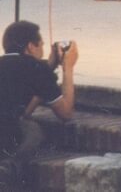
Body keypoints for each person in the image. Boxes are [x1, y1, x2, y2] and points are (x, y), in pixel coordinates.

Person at [0, 21, 77, 188]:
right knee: (34, 130)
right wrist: (68, 68)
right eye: (41, 44)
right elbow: (66, 113)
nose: (42, 49)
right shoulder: (37, 69)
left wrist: (49, 67)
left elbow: (26, 108)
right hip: (7, 132)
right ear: (30, 46)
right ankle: (10, 166)